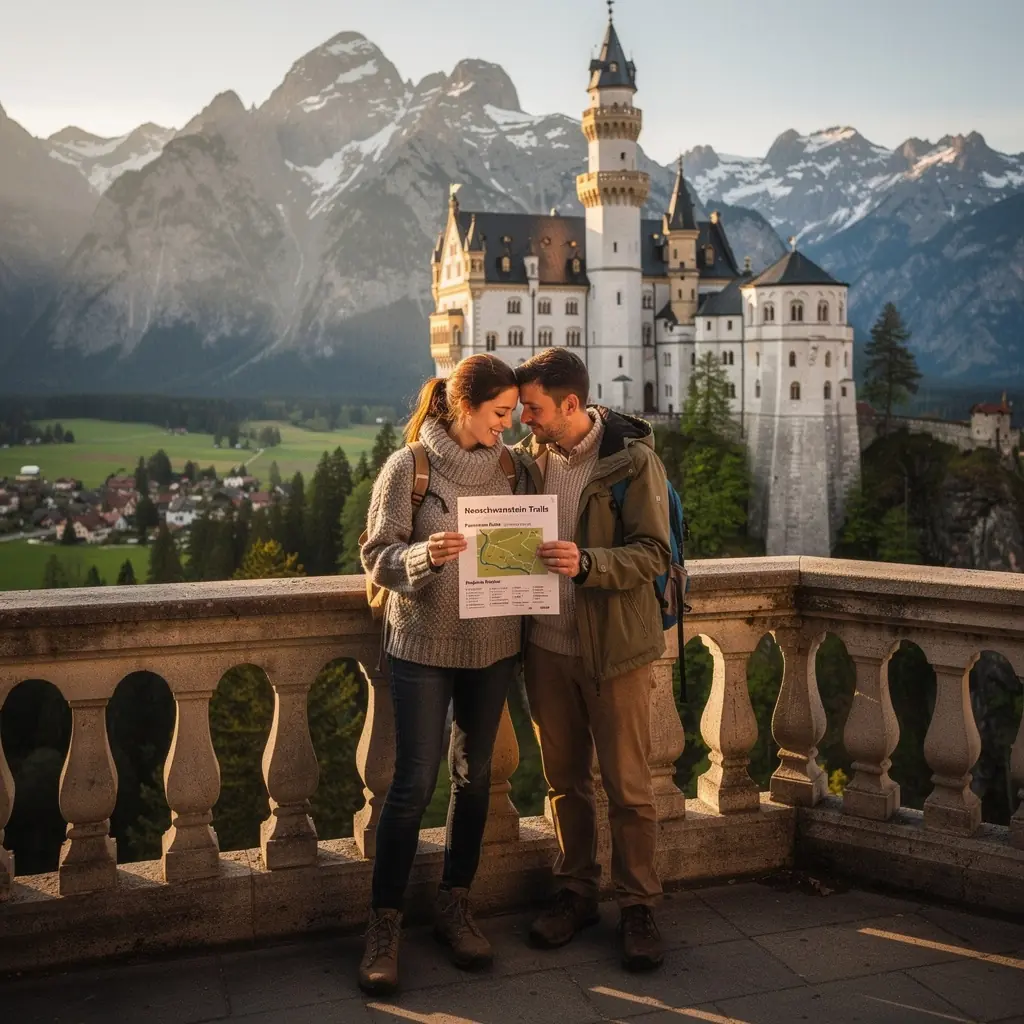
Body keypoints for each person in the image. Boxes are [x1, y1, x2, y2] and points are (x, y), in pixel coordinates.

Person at [358, 354, 521, 995]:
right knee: (412, 784)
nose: (507, 425)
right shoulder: (410, 467)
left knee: (474, 780)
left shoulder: (510, 468)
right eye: (499, 413)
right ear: (463, 406)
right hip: (423, 645)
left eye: (512, 414)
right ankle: (384, 924)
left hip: (494, 645)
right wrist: (424, 555)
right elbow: (376, 554)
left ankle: (455, 904)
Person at [513, 347, 671, 971]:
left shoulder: (632, 462)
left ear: (571, 404)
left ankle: (638, 904)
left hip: (615, 651)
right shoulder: (527, 461)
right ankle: (576, 891)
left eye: (533, 409)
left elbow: (653, 553)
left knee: (629, 785)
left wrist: (588, 563)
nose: (524, 419)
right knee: (564, 781)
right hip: (545, 649)